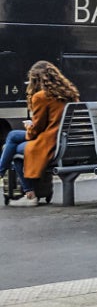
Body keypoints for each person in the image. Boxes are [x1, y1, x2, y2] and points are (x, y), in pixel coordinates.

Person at [0, 61, 80, 206]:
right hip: (64, 141)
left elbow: (36, 130)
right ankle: (25, 191)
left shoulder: (41, 96)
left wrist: (30, 126)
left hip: (50, 143)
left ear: (36, 79)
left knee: (12, 149)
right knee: (12, 138)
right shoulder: (70, 94)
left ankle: (30, 195)